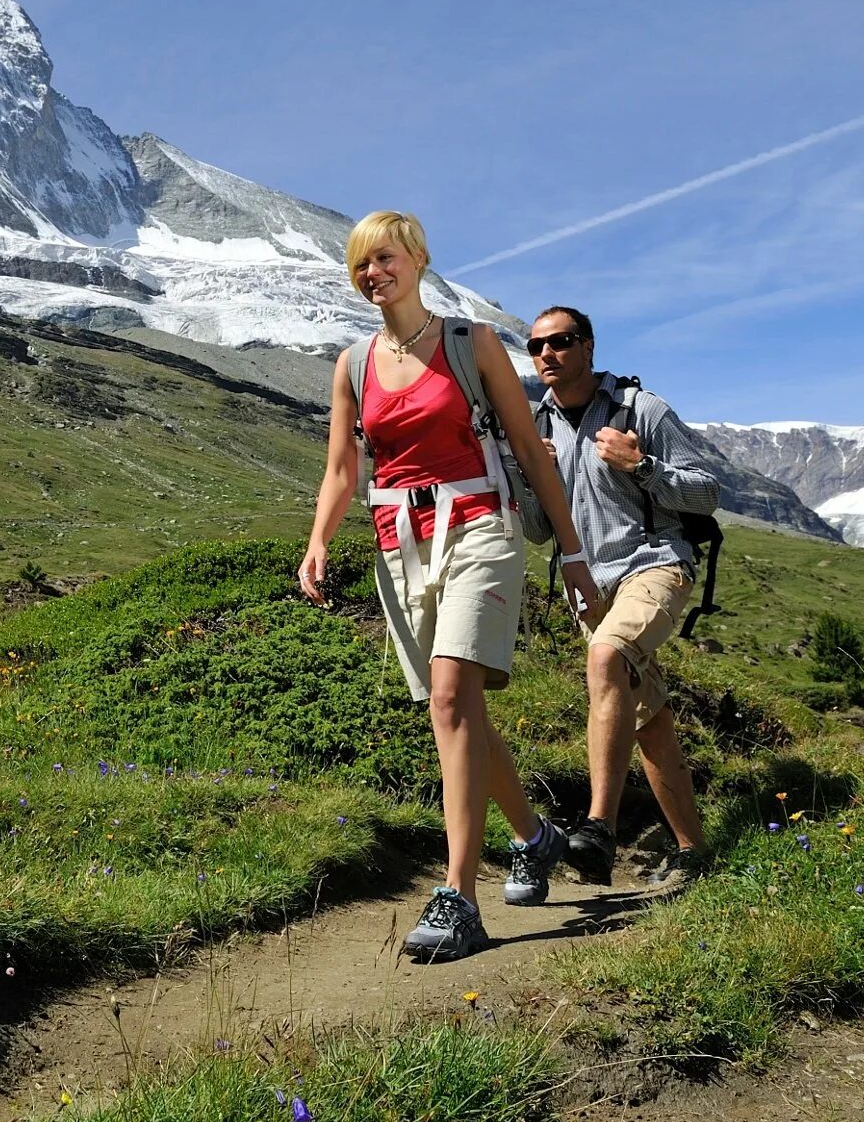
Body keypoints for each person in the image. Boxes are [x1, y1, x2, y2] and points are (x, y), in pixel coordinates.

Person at [298, 211, 602, 962]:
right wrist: (317, 543)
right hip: (400, 545)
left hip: (480, 530)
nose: (375, 274)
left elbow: (532, 451)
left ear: (420, 260)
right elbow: (344, 470)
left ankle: (459, 898)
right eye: (363, 264)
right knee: (458, 709)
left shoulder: (473, 345)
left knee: (447, 698)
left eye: (387, 258)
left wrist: (570, 553)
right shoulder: (354, 365)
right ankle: (535, 837)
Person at [527, 304, 715, 889]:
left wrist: (643, 465)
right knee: (647, 716)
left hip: (656, 566)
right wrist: (537, 478)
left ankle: (598, 828)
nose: (546, 355)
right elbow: (538, 530)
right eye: (535, 347)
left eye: (559, 342)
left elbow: (706, 491)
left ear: (588, 346)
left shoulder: (642, 409)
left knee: (607, 658)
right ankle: (693, 851)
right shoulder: (537, 425)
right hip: (589, 585)